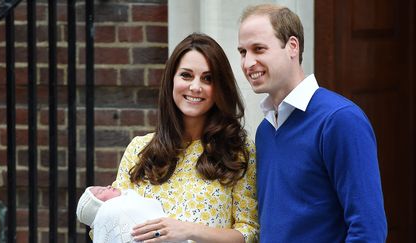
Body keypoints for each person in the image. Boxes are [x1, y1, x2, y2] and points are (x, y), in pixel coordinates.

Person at [237, 3, 388, 242]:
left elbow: (369, 229)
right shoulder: (265, 131)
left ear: (292, 47)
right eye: (243, 52)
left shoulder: (340, 119)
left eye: (259, 49)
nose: (247, 63)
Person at [112, 33, 258, 243]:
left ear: (220, 88)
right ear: (171, 79)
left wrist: (190, 231)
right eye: (186, 75)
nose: (195, 87)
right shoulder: (139, 150)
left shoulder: (239, 153)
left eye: (207, 79)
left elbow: (250, 233)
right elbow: (111, 220)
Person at [76, 186, 171, 243]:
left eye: (103, 187)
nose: (108, 186)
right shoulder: (114, 210)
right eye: (101, 191)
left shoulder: (132, 199)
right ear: (97, 207)